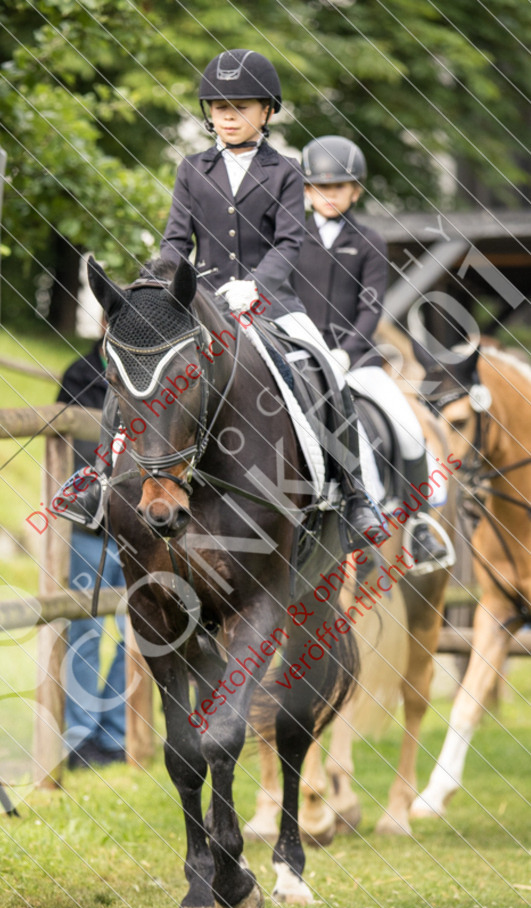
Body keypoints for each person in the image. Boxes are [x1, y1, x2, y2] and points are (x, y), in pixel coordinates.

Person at [63, 49, 381, 552]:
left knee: (327, 368)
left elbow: (291, 242)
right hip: (202, 302)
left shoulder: (286, 171)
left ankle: (356, 492)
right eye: (219, 107)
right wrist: (154, 282)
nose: (228, 117)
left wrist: (257, 283)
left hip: (269, 302)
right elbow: (175, 241)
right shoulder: (192, 168)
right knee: (134, 364)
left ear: (267, 112)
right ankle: (97, 480)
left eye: (241, 107)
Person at [292, 134, 448, 564]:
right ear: (306, 191)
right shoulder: (290, 239)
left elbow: (371, 308)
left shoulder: (369, 242)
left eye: (337, 186)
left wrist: (344, 352)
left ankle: (417, 525)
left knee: (410, 429)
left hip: (355, 360)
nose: (328, 195)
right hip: (299, 359)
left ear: (355, 190)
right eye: (319, 187)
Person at [57, 342, 127, 768]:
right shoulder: (80, 374)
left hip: (141, 529)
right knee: (84, 631)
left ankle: (114, 734)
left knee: (135, 634)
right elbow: (80, 453)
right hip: (90, 525)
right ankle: (79, 738)